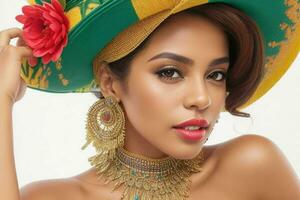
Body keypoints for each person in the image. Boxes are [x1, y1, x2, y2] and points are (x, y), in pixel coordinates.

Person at [0, 0, 299, 199]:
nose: (201, 98)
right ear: (110, 82)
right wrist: (2, 99)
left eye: (216, 75)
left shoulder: (254, 165)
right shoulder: (55, 197)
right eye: (170, 72)